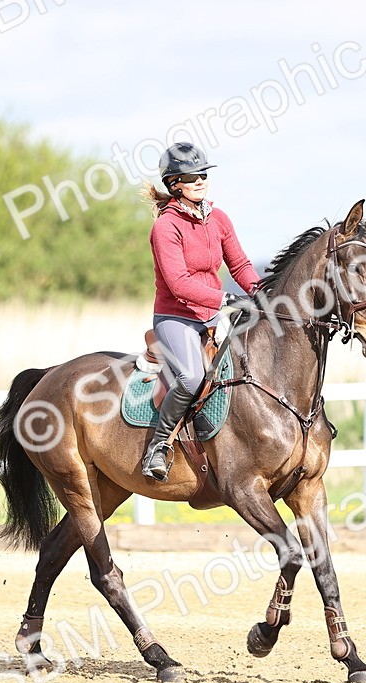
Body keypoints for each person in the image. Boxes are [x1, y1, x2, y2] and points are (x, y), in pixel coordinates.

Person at [140, 142, 260, 481]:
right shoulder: (166, 227)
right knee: (192, 377)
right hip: (176, 318)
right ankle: (159, 446)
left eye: (204, 174)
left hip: (211, 316)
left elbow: (239, 263)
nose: (201, 180)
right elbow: (178, 283)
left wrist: (260, 292)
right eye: (193, 176)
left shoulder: (219, 218)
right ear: (174, 182)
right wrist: (223, 301)